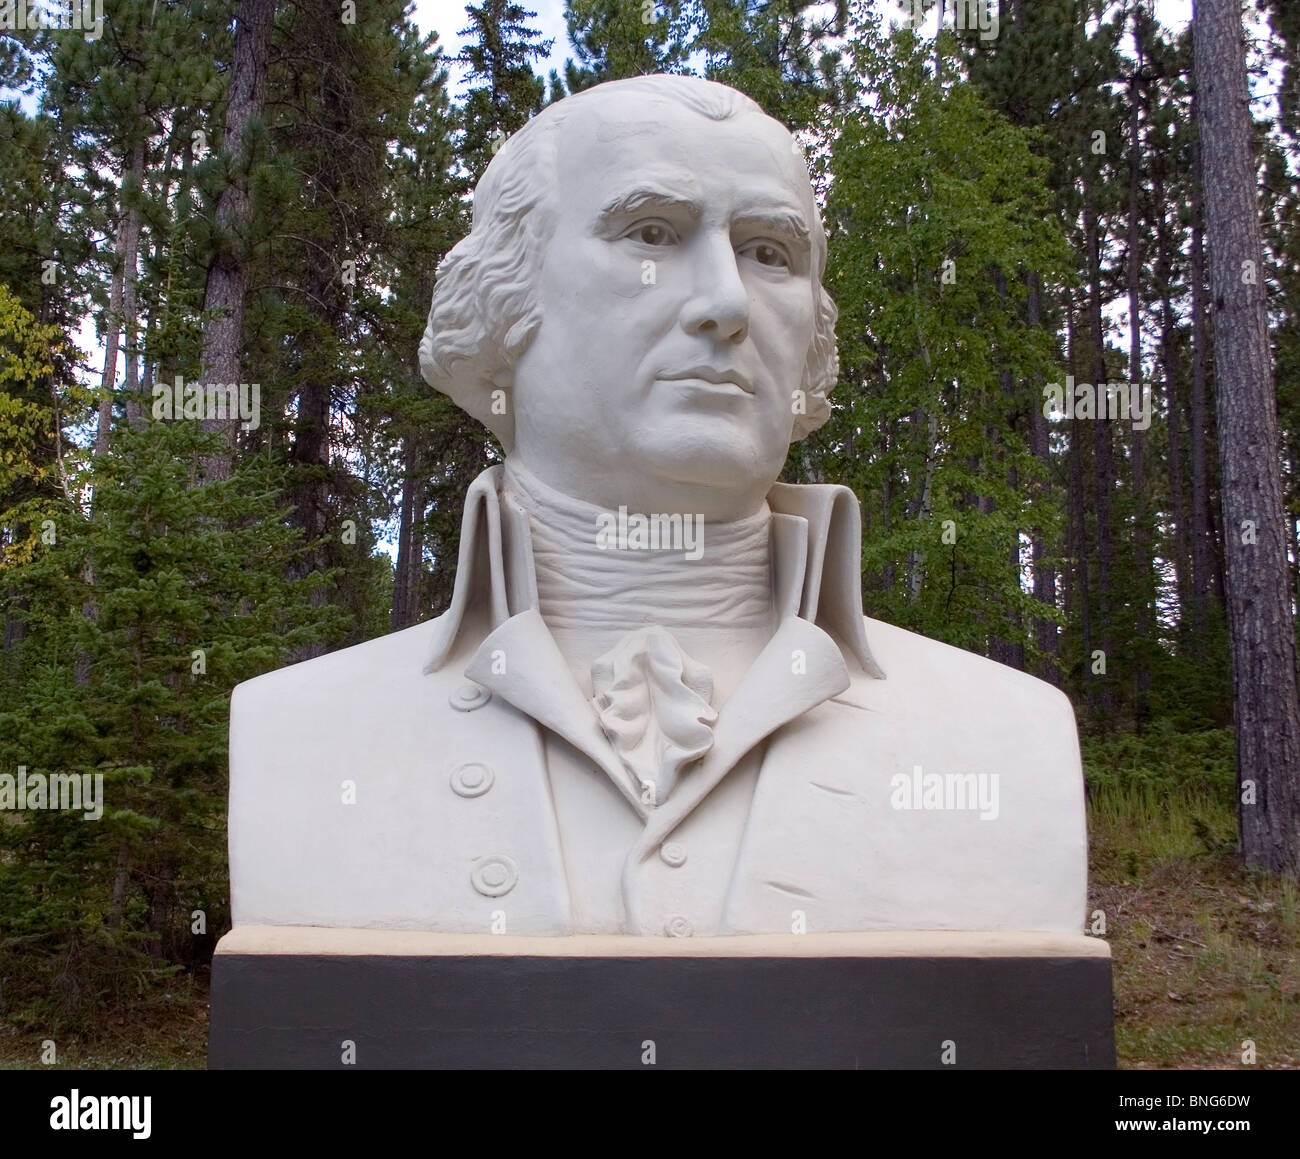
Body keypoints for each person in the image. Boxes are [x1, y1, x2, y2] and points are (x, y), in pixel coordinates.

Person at [228, 74, 1086, 939]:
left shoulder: (1009, 742)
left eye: (769, 253)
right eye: (652, 234)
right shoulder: (296, 737)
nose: (726, 303)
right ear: (504, 295)